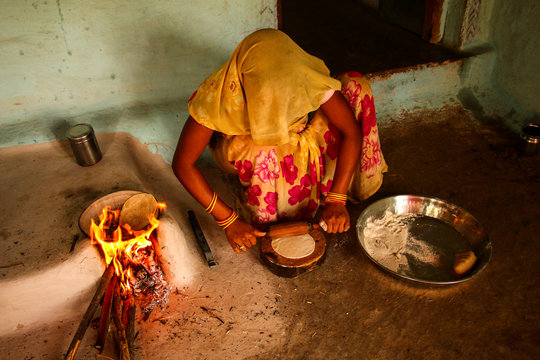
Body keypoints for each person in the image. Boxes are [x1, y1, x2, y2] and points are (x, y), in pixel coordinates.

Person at [172, 29, 387, 254]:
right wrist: (228, 220)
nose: (276, 105)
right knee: (262, 151)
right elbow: (183, 164)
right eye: (265, 95)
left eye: (284, 93)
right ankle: (267, 204)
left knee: (355, 86)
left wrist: (337, 198)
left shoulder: (302, 76)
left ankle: (328, 191)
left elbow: (351, 132)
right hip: (247, 144)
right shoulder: (218, 95)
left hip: (295, 134)